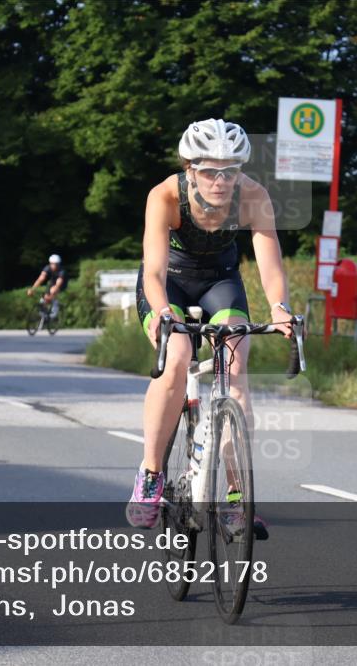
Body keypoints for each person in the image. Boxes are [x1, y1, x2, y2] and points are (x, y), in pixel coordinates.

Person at [125, 118, 293, 538]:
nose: (220, 180)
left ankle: (238, 497)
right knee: (177, 358)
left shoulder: (253, 196)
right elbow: (154, 272)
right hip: (170, 282)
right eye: (209, 170)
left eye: (230, 170)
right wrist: (164, 315)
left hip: (221, 280)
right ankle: (150, 474)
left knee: (235, 371)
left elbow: (270, 261)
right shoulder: (164, 195)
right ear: (189, 169)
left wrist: (279, 308)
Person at [26, 254, 67, 318]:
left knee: (53, 291)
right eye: (52, 264)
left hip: (62, 283)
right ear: (50, 263)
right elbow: (41, 279)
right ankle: (44, 314)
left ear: (58, 264)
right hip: (52, 282)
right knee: (45, 297)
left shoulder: (62, 270)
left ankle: (54, 310)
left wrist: (55, 287)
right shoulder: (47, 268)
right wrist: (32, 289)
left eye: (56, 264)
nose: (54, 266)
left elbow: (59, 281)